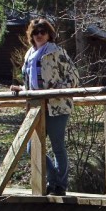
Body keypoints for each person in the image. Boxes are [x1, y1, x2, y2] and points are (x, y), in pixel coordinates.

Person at [10, 17, 80, 196]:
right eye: (36, 32)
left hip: (57, 106)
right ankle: (54, 178)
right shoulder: (29, 55)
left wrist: (58, 89)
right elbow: (33, 83)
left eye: (43, 32)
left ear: (49, 34)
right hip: (36, 107)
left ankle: (60, 186)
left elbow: (73, 77)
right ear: (31, 35)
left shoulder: (57, 51)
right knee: (31, 147)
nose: (39, 35)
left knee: (57, 146)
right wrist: (22, 89)